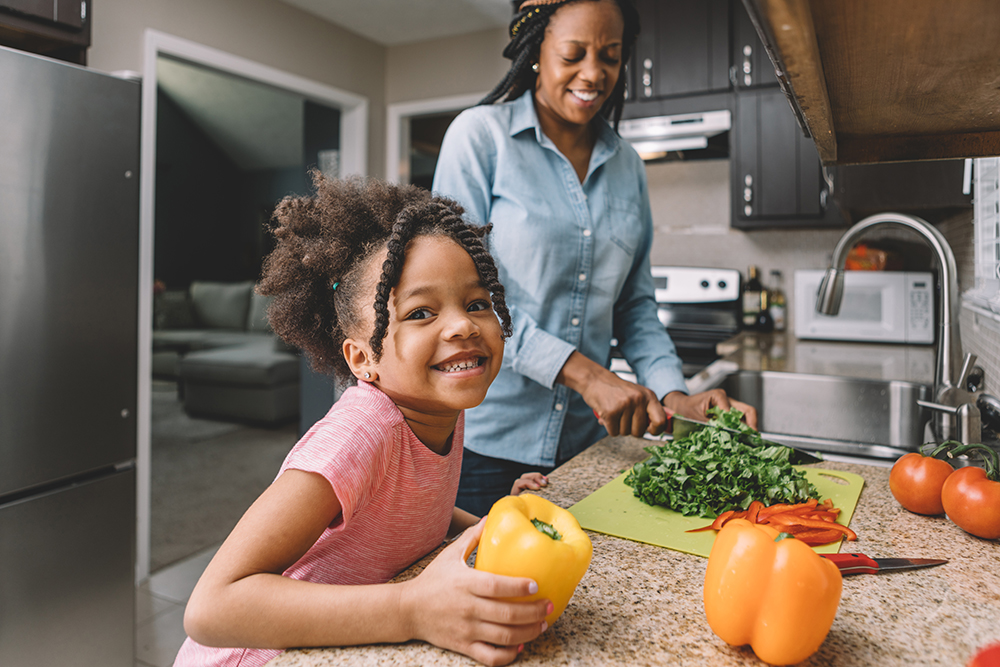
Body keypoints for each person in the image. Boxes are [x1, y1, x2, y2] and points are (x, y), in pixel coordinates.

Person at [174, 175, 551, 667]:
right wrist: (412, 608)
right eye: (420, 313)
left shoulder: (440, 409)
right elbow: (212, 609)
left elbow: (410, 514)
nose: (462, 325)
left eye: (477, 304)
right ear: (361, 359)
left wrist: (493, 525)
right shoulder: (359, 434)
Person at [432, 0, 757, 517]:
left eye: (610, 55)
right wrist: (587, 375)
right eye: (574, 54)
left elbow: (635, 306)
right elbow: (466, 299)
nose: (593, 73)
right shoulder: (480, 139)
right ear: (536, 50)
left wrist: (677, 396)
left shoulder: (627, 165)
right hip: (486, 445)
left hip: (587, 446)